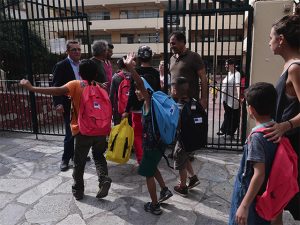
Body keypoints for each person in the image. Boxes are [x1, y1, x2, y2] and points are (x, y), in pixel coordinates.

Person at [20, 59, 112, 201]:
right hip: (101, 130)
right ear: (96, 73)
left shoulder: (76, 84)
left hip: (83, 131)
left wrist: (32, 89)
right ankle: (103, 179)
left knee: (79, 162)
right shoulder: (100, 88)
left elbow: (56, 90)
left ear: (80, 73)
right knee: (99, 156)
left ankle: (78, 190)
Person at [123, 52, 173, 215]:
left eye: (138, 90)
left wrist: (131, 68)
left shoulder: (148, 101)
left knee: (148, 174)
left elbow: (140, 84)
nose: (136, 92)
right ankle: (165, 190)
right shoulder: (159, 99)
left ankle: (154, 205)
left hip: (151, 146)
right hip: (159, 145)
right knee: (152, 167)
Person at [264, 10, 300, 224]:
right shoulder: (289, 65)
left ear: (281, 39)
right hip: (284, 144)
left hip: (293, 145)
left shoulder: (295, 67)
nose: (269, 42)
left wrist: (285, 126)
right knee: (275, 199)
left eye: (270, 37)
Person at [229, 82, 278, 225]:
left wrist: (244, 206)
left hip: (251, 199)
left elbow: (259, 174)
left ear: (251, 110)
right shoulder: (275, 128)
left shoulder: (257, 137)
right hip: (264, 195)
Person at [52, 40, 88, 172]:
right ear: (68, 51)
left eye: (79, 49)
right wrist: (58, 103)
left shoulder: (83, 65)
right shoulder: (61, 65)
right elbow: (56, 86)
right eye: (74, 50)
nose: (77, 52)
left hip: (83, 104)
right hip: (69, 105)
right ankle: (65, 159)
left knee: (82, 131)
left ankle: (76, 155)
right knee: (70, 133)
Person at [123, 45, 161, 164]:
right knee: (152, 133)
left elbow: (131, 94)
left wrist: (127, 109)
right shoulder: (155, 72)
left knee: (138, 135)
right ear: (151, 57)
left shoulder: (136, 72)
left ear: (139, 58)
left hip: (136, 109)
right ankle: (152, 157)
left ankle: (141, 159)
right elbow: (159, 92)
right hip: (151, 108)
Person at [171, 77, 200, 197]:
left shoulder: (178, 106)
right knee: (186, 157)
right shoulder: (193, 101)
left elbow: (176, 124)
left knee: (180, 162)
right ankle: (192, 178)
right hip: (192, 139)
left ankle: (182, 187)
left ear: (176, 91)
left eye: (172, 88)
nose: (171, 90)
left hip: (182, 139)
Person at [169, 31, 208, 110]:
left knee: (189, 122)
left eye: (173, 43)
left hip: (190, 102)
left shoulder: (194, 56)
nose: (171, 46)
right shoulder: (172, 58)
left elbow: (203, 78)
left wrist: (204, 99)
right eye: (170, 44)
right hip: (174, 102)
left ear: (182, 42)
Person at [217, 59, 241, 139]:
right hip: (226, 98)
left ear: (232, 65)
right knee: (227, 115)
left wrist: (238, 96)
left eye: (227, 64)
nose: (225, 66)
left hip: (233, 98)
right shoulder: (229, 73)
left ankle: (230, 133)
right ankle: (224, 130)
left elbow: (238, 85)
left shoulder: (237, 74)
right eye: (226, 64)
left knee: (233, 116)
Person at [109, 57, 132, 125]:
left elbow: (112, 95)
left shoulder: (116, 77)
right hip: (131, 109)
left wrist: (111, 110)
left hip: (118, 110)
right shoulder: (133, 76)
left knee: (119, 131)